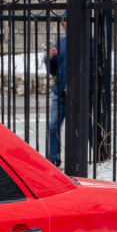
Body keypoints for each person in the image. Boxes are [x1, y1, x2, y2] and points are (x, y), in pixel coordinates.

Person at [46, 17, 67, 166]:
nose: (65, 24)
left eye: (68, 20)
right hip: (59, 93)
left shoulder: (88, 41)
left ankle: (97, 159)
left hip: (80, 95)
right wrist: (49, 58)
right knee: (53, 126)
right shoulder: (61, 43)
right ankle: (53, 160)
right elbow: (53, 71)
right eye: (63, 21)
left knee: (86, 128)